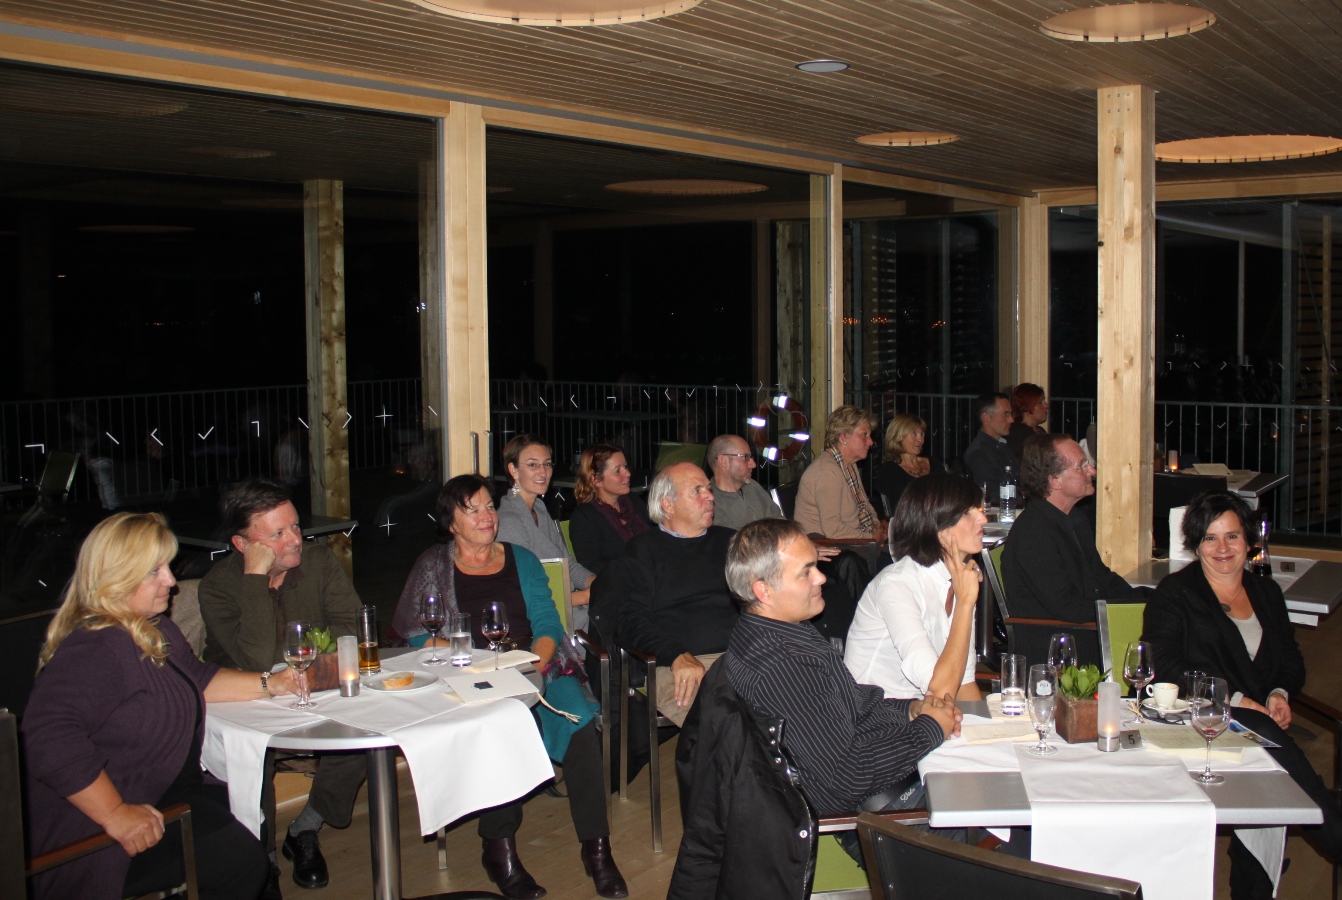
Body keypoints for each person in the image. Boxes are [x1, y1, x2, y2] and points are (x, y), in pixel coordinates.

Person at [22, 512, 300, 900]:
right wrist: (116, 814)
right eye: (155, 571)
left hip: (166, 794)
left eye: (167, 566)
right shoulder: (97, 645)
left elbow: (197, 678)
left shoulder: (150, 628)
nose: (171, 580)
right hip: (98, 828)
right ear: (116, 579)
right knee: (240, 864)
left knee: (254, 829)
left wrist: (274, 683)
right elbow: (46, 738)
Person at [391, 475, 627, 900]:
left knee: (579, 722)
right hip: (466, 672)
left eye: (489, 507)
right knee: (505, 726)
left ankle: (597, 850)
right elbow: (416, 632)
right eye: (473, 510)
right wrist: (470, 659)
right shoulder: (432, 565)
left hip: (535, 662)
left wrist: (535, 663)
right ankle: (498, 849)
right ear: (451, 523)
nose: (487, 517)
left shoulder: (522, 558)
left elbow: (548, 620)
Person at [1144, 491, 1342, 899]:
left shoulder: (1266, 593)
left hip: (1259, 727)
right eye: (1210, 538)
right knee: (1279, 757)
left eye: (1232, 536)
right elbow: (1165, 665)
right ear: (1196, 544)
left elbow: (1291, 659)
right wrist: (1232, 700)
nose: (1222, 548)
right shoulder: (1175, 593)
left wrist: (1278, 693)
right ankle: (1334, 834)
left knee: (1268, 751)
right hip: (1197, 721)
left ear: (1249, 541)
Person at [723, 519, 958, 815]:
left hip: (876, 777)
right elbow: (847, 777)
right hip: (873, 811)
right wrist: (931, 729)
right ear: (764, 591)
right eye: (805, 572)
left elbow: (853, 706)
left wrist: (911, 710)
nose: (821, 578)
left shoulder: (779, 631)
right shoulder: (782, 667)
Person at [198, 479, 364, 890]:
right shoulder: (218, 587)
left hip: (314, 687)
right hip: (245, 699)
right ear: (243, 544)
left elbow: (350, 627)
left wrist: (307, 666)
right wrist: (255, 578)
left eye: (295, 526)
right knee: (252, 756)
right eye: (277, 534)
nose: (295, 539)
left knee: (366, 730)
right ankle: (262, 857)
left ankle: (305, 827)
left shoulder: (319, 561)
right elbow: (255, 661)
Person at [607, 461, 738, 727]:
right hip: (680, 665)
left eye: (708, 489)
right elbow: (630, 620)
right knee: (727, 726)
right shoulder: (642, 551)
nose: (710, 496)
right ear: (667, 504)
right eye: (697, 490)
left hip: (743, 658)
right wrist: (676, 655)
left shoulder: (732, 542)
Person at [845, 475, 986, 701]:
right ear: (939, 529)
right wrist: (965, 603)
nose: (983, 519)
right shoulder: (897, 584)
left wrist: (986, 723)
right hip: (876, 715)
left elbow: (964, 683)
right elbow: (939, 690)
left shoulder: (960, 581)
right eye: (967, 512)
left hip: (924, 712)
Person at [1000, 433, 1147, 622]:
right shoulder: (1033, 533)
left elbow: (1102, 578)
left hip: (1084, 624)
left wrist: (1147, 600)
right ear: (1055, 480)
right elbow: (1067, 607)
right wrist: (1123, 613)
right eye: (1081, 467)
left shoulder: (1075, 518)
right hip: (1059, 635)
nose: (1092, 471)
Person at [496, 434, 597, 631]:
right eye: (533, 465)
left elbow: (567, 565)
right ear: (513, 470)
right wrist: (584, 597)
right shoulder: (509, 521)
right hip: (547, 621)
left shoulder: (539, 509)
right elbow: (522, 594)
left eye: (547, 464)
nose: (543, 472)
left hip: (570, 610)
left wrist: (596, 583)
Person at [794, 405, 886, 545]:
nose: (871, 442)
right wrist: (871, 538)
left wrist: (877, 527)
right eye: (864, 434)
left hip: (855, 541)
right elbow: (833, 530)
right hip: (829, 547)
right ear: (844, 436)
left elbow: (865, 505)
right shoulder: (827, 472)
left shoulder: (848, 465)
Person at [568, 443, 650, 578]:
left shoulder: (631, 501)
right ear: (596, 480)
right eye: (618, 470)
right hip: (619, 583)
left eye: (625, 466)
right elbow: (591, 567)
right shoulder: (585, 517)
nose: (627, 473)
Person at [706, 433, 782, 531]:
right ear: (724, 461)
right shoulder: (710, 504)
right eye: (745, 457)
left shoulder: (753, 487)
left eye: (751, 457)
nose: (753, 464)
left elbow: (781, 523)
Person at [872, 413, 934, 516]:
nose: (920, 439)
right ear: (898, 437)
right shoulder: (889, 471)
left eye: (922, 434)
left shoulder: (933, 462)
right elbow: (901, 506)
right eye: (914, 434)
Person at [963, 392, 1017, 504]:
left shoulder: (1001, 446)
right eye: (1006, 414)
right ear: (986, 417)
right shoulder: (980, 453)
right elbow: (992, 495)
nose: (1011, 420)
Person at [1005, 383, 1049, 460]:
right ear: (1026, 407)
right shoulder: (1018, 434)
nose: (1046, 405)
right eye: (1040, 402)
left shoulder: (1040, 430)